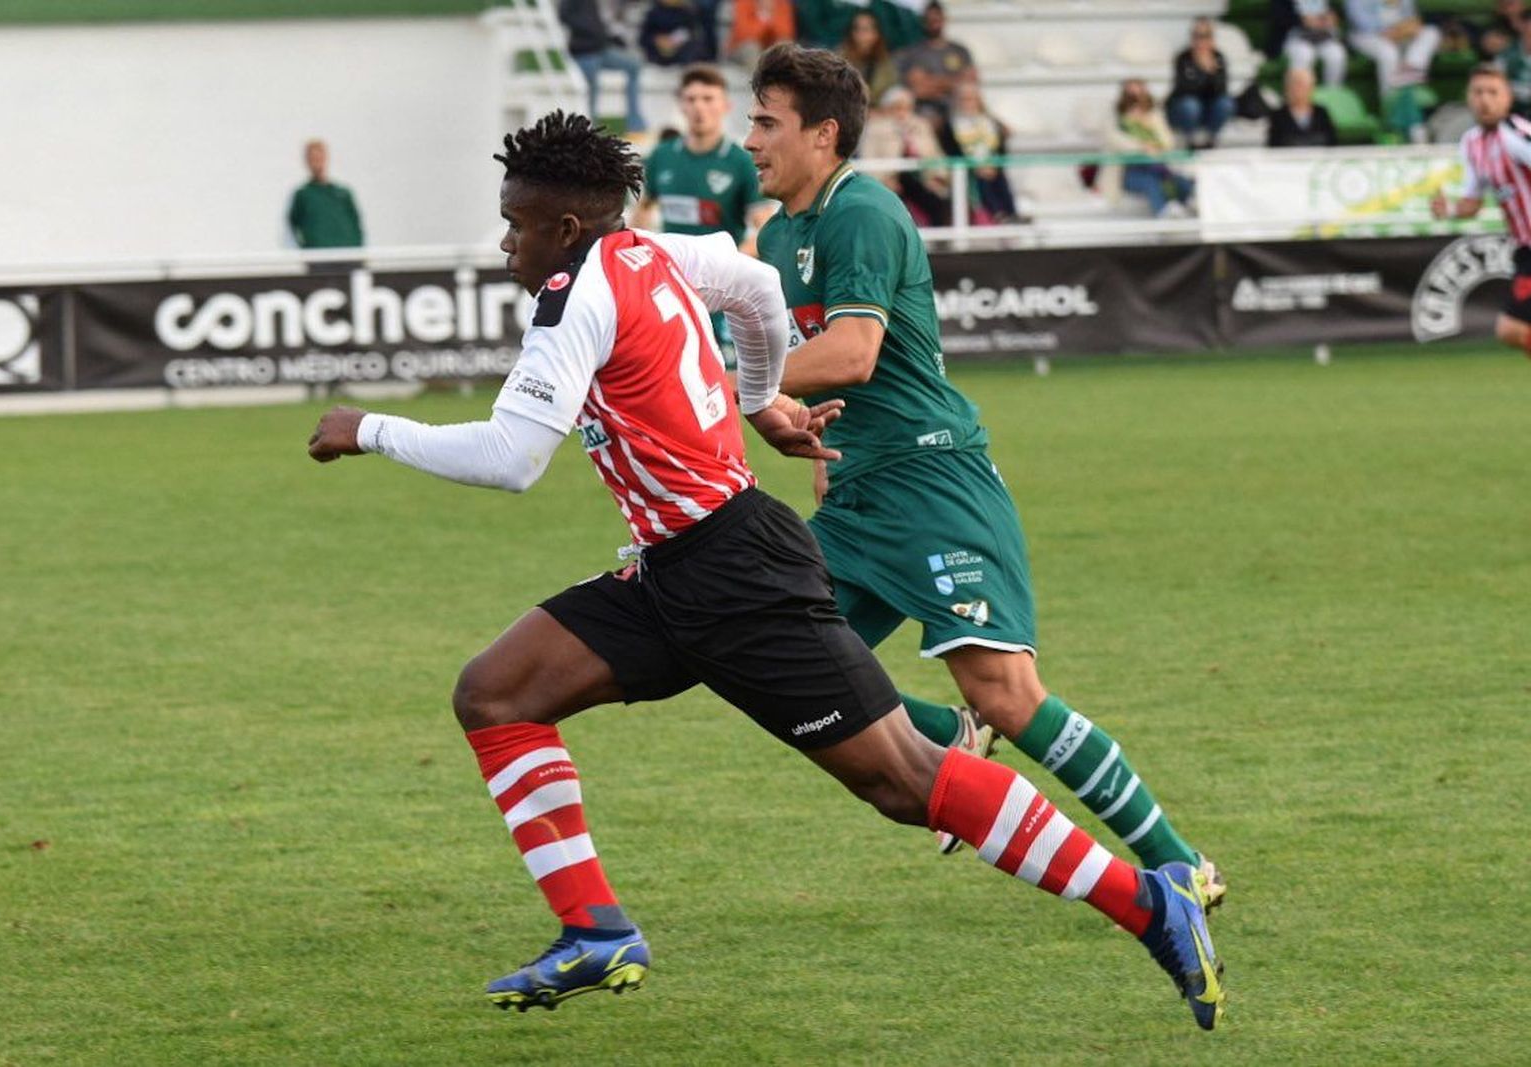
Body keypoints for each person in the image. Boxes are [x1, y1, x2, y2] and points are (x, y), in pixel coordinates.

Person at [307, 109, 1226, 1029]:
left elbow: (511, 457)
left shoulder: (572, 299)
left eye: (516, 221)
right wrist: (761, 397)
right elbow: (750, 284)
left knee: (904, 781)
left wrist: (369, 429)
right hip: (673, 568)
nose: (505, 239)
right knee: (496, 692)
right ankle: (595, 929)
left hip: (738, 571)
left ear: (567, 228)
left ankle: (1148, 902)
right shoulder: (653, 252)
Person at [747, 43, 1227, 939]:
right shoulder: (777, 236)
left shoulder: (865, 215)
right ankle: (947, 737)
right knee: (770, 659)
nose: (750, 139)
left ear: (823, 133)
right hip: (856, 492)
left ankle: (1175, 864)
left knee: (1006, 690)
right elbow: (813, 370)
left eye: (767, 122)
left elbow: (850, 351)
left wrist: (726, 383)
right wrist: (812, 432)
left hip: (933, 478)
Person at [637, 64, 771, 358]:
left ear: (726, 105)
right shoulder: (662, 156)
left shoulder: (741, 161)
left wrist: (730, 264)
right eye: (691, 99)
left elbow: (763, 225)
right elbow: (642, 212)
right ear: (681, 105)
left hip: (720, 286)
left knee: (723, 374)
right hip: (669, 280)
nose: (699, 107)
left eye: (708, 98)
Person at [1431, 64, 1531, 360]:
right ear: (1468, 98)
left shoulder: (1516, 134)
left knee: (1511, 328)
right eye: (1478, 92)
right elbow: (1472, 203)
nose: (1485, 100)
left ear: (1507, 98)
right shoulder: (1472, 143)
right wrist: (1448, 209)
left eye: (1493, 92)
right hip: (1525, 250)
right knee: (1514, 331)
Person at [860, 85, 953, 226]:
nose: (902, 112)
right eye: (897, 107)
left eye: (906, 107)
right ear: (887, 108)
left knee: (940, 202)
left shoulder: (921, 126)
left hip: (922, 178)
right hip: (890, 179)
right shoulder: (875, 128)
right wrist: (882, 180)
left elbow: (936, 154)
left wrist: (937, 176)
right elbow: (867, 159)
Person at [558, 0, 648, 133]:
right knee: (591, 89)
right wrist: (589, 29)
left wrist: (608, 37)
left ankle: (635, 123)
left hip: (602, 49)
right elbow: (563, 15)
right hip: (584, 51)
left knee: (634, 65)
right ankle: (590, 131)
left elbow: (602, 25)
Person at [1110, 80, 1196, 217]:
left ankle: (1189, 209)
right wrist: (1141, 146)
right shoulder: (1117, 121)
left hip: (1158, 169)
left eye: (1139, 95)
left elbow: (1168, 143)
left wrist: (1149, 124)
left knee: (1182, 182)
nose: (1136, 103)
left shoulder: (1154, 117)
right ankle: (1164, 216)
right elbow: (1115, 141)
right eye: (1131, 97)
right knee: (1151, 182)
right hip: (1128, 172)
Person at [949, 80, 1021, 224]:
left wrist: (993, 164)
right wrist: (976, 165)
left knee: (1000, 180)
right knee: (983, 182)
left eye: (972, 99)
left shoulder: (990, 121)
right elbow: (952, 149)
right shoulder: (951, 124)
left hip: (991, 165)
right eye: (965, 99)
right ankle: (997, 213)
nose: (969, 103)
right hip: (969, 169)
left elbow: (1000, 147)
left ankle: (1012, 213)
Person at [1345, 0, 1442, 95]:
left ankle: (1409, 73)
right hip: (1369, 36)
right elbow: (1363, 24)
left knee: (1431, 33)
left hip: (1401, 33)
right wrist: (1395, 31)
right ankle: (1390, 102)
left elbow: (1411, 17)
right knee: (1389, 53)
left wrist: (1409, 28)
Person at [1166, 18, 1233, 150]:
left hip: (1208, 108)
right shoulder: (1183, 58)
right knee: (1190, 105)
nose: (1201, 41)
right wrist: (1202, 71)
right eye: (1197, 36)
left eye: (1205, 36)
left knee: (1226, 103)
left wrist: (1211, 73)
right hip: (1186, 109)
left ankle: (1210, 137)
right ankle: (1191, 139)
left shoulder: (1219, 58)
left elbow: (1221, 89)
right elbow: (1183, 89)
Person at [287, 139, 363, 250]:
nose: (317, 162)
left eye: (319, 157)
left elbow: (356, 224)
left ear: (325, 157)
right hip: (319, 258)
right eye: (313, 158)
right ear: (307, 161)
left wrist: (357, 248)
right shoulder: (303, 195)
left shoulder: (343, 193)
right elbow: (293, 225)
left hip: (347, 256)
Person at [839, 9, 900, 108]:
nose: (860, 34)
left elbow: (891, 93)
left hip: (879, 114)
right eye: (856, 29)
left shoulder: (885, 63)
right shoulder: (838, 60)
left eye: (866, 29)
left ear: (876, 34)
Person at [1268, 67, 1340, 147]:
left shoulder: (1321, 113)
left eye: (1302, 85)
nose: (1298, 90)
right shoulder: (1277, 116)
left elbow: (1332, 143)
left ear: (1311, 88)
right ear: (1287, 88)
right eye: (1294, 85)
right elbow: (1274, 146)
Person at [1284, 0, 1348, 88]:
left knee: (1337, 54)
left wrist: (1330, 18)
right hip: (1297, 38)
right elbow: (1281, 19)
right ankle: (1301, 95)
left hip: (1323, 36)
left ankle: (1332, 93)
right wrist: (1302, 20)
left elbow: (1333, 12)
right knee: (1304, 54)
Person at [640, 0, 714, 66]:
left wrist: (674, 41)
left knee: (695, 47)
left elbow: (690, 32)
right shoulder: (653, 13)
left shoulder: (686, 12)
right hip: (658, 50)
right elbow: (644, 36)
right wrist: (658, 40)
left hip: (680, 48)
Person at [727, 0, 797, 67]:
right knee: (752, 47)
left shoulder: (782, 4)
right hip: (741, 48)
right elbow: (744, 34)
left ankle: (782, 77)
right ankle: (758, 78)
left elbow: (786, 33)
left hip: (770, 46)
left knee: (784, 47)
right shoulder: (744, 2)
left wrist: (769, 14)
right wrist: (765, 20)